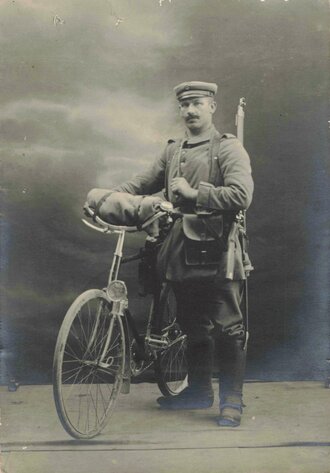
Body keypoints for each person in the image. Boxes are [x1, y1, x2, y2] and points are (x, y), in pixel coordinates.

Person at [87, 81, 254, 427]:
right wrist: (108, 199)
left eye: (197, 103)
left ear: (211, 106)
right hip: (180, 253)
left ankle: (232, 402)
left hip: (220, 252)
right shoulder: (173, 151)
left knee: (228, 326)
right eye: (185, 105)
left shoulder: (227, 148)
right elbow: (139, 183)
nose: (190, 111)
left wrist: (195, 194)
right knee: (192, 324)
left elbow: (241, 196)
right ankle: (198, 392)